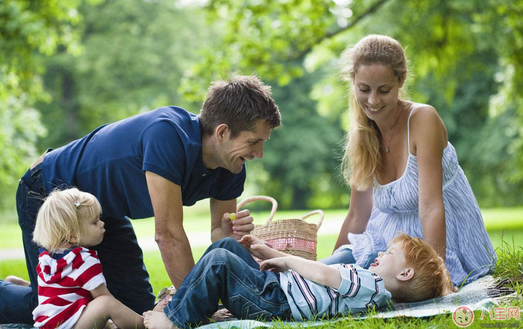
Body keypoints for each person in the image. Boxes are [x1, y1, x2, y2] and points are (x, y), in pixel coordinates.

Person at [0, 75, 282, 324]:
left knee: (133, 311)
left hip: (101, 214)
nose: (259, 154)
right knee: (54, 313)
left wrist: (228, 234)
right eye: (254, 142)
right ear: (222, 133)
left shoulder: (231, 166)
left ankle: (35, 286)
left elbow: (218, 234)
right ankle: (18, 292)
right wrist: (193, 312)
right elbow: (168, 235)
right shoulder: (167, 135)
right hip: (50, 194)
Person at [321, 34, 496, 287]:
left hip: (433, 244)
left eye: (383, 90)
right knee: (320, 274)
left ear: (400, 80)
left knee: (376, 290)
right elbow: (358, 216)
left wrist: (439, 276)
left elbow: (431, 208)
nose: (372, 101)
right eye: (364, 89)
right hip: (386, 244)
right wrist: (330, 267)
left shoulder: (423, 119)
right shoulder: (362, 132)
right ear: (353, 82)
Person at [141, 234, 452, 329]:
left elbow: (322, 272)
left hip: (275, 302)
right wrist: (269, 252)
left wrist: (286, 259)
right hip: (277, 291)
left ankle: (173, 322)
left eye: (391, 254)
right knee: (226, 246)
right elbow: (314, 275)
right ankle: (182, 307)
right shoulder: (369, 284)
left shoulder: (371, 285)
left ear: (405, 274)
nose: (381, 253)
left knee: (219, 261)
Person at [30, 188, 167, 329]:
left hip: (51, 324)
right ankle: (144, 323)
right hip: (68, 325)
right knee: (106, 303)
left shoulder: (47, 258)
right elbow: (101, 297)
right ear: (72, 235)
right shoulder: (82, 260)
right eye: (94, 222)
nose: (102, 223)